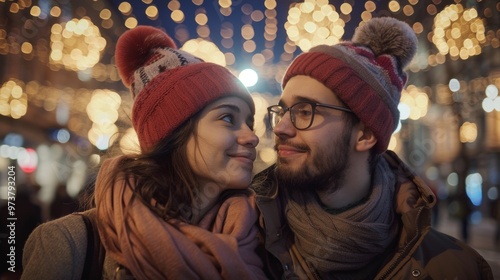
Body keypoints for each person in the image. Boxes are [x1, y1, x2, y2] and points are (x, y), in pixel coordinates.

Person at [252, 17, 493, 279]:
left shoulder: (457, 268)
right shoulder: (247, 248)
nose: (281, 128)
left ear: (365, 134)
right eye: (283, 111)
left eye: (305, 111)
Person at [22, 26, 266, 279]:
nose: (252, 136)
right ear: (174, 131)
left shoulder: (267, 236)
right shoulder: (71, 242)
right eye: (228, 118)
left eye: (249, 121)